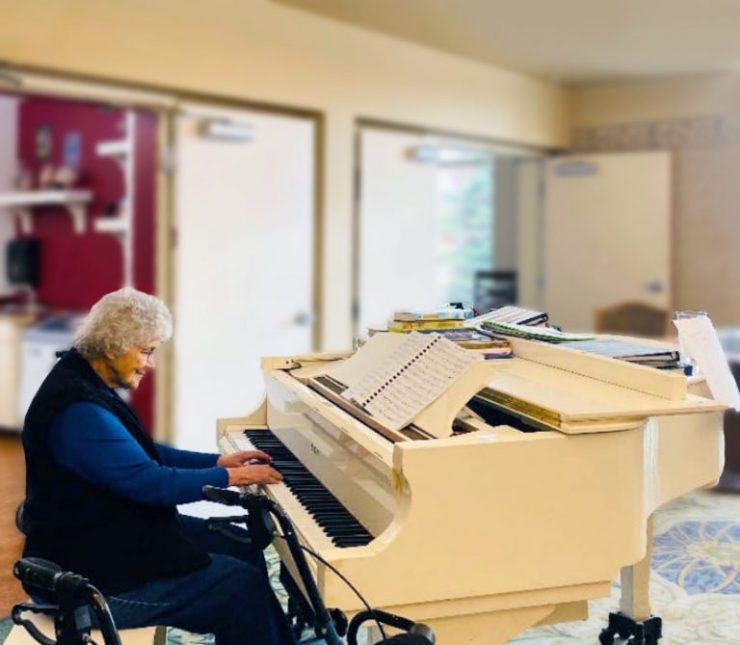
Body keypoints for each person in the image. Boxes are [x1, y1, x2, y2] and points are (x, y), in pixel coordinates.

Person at [21, 287, 297, 645]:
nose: (150, 364)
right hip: (91, 581)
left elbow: (143, 454)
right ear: (112, 346)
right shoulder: (79, 412)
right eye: (146, 352)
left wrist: (216, 461)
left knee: (243, 546)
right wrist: (232, 476)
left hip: (104, 536)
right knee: (240, 587)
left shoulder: (83, 380)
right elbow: (152, 483)